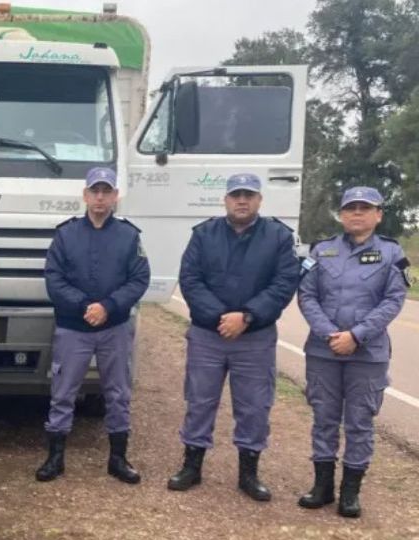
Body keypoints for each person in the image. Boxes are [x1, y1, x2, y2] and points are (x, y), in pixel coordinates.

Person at [168, 173, 299, 501]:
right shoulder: (203, 234)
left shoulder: (279, 237)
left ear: (259, 200)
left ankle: (249, 473)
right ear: (225, 199)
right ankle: (192, 466)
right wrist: (220, 318)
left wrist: (247, 316)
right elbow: (190, 279)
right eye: (236, 195)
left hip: (254, 337)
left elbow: (284, 283)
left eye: (249, 195)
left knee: (254, 405)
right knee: (199, 401)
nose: (242, 200)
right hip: (208, 335)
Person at [297, 186, 409, 518]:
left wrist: (356, 336)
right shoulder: (321, 251)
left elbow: (393, 301)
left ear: (378, 215)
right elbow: (306, 295)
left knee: (360, 423)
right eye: (350, 208)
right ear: (342, 214)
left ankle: (350, 493)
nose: (357, 213)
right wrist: (331, 334)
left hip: (367, 354)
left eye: (365, 208)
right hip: (323, 351)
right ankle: (322, 488)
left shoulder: (392, 253)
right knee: (324, 420)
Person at [35, 167, 150, 484]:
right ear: (85, 196)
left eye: (106, 192)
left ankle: (118, 458)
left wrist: (108, 306)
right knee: (63, 392)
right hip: (74, 327)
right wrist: (85, 306)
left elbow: (140, 279)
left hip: (114, 327)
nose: (100, 198)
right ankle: (55, 458)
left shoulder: (129, 236)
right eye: (95, 191)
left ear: (115, 197)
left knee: (118, 393)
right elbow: (53, 280)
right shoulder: (66, 234)